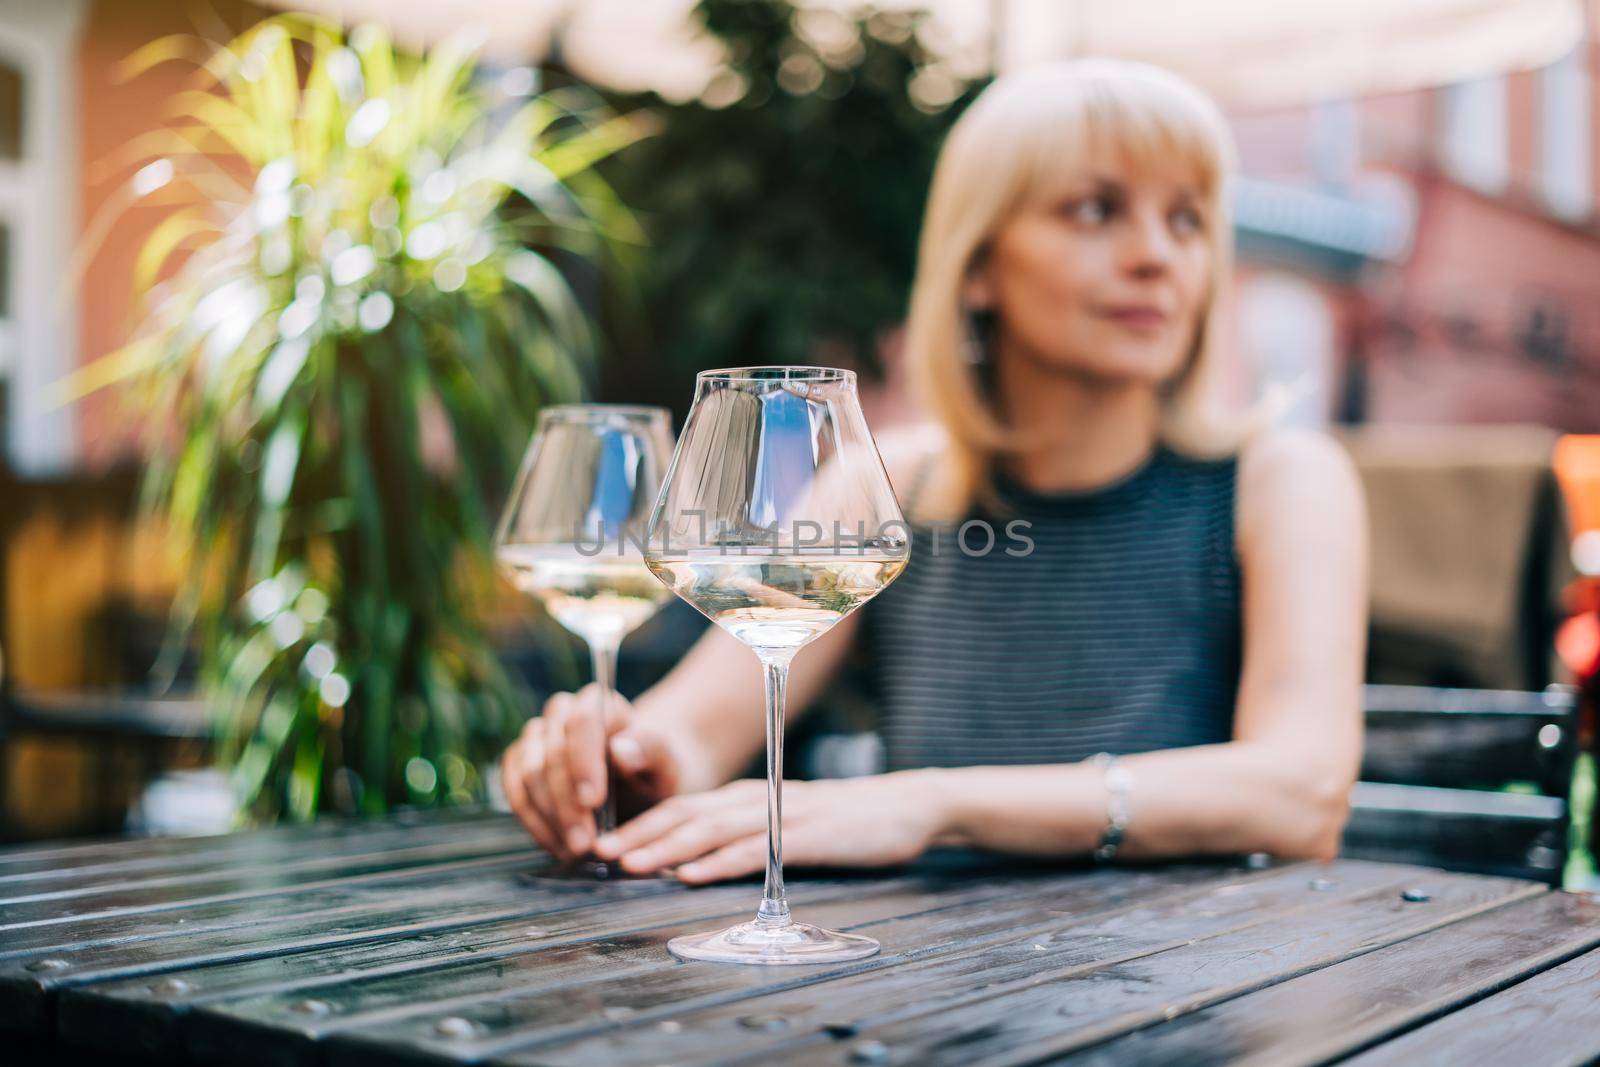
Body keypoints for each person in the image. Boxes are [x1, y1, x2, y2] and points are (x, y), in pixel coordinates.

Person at [500, 58, 1368, 883]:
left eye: (1187, 219)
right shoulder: (896, 487)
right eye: (1096, 210)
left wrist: (930, 806)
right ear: (979, 266)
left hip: (1199, 988)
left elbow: (1300, 793)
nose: (1158, 255)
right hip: (931, 988)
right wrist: (613, 758)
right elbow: (696, 730)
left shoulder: (1277, 481)